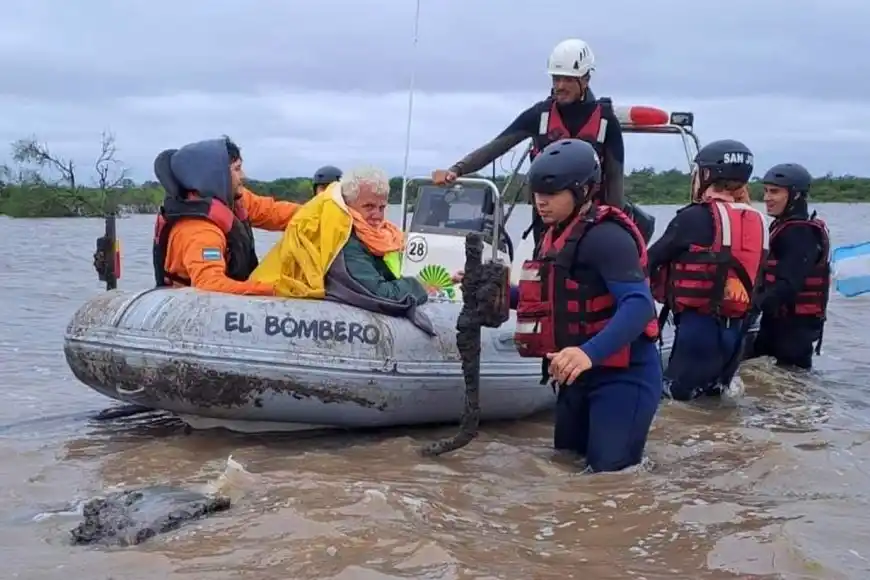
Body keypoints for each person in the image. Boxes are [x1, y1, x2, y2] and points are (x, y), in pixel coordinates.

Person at [513, 138, 661, 473]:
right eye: (536, 193)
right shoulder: (554, 234)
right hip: (576, 375)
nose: (541, 202)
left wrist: (587, 353)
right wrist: (496, 293)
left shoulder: (607, 237)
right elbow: (555, 299)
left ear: (582, 191)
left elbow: (639, 305)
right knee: (565, 466)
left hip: (623, 377)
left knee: (609, 477)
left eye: (551, 194)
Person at [430, 38, 644, 247]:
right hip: (547, 220)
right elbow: (496, 147)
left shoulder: (606, 121)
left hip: (589, 220)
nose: (559, 85)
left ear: (586, 79)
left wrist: (616, 227)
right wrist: (456, 170)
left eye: (568, 79)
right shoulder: (539, 115)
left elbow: (615, 179)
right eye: (556, 78)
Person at [648, 139, 768, 401]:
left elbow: (649, 261)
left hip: (698, 329)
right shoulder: (756, 220)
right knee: (714, 400)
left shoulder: (694, 217)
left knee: (677, 401)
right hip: (736, 332)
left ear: (706, 175)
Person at [152, 137, 299, 295]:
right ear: (216, 176)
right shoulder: (198, 231)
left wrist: (321, 211)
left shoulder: (234, 200)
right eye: (237, 169)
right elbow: (210, 286)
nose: (243, 175)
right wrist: (278, 290)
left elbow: (274, 212)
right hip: (198, 311)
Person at [743, 163, 830, 369]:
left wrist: (749, 308)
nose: (766, 198)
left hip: (793, 327)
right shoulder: (783, 226)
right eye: (765, 191)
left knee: (790, 380)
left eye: (774, 192)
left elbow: (788, 284)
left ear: (796, 195)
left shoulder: (800, 233)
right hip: (777, 321)